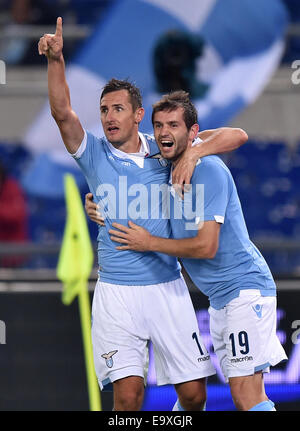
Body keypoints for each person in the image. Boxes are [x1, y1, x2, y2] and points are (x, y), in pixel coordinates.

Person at [38, 17, 248, 411]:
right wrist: (56, 60)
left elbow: (236, 135)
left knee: (194, 395)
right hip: (117, 293)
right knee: (129, 396)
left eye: (118, 108)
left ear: (137, 116)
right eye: (103, 109)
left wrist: (197, 152)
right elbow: (63, 113)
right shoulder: (95, 155)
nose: (109, 117)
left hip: (167, 288)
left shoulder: (167, 148)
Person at [107, 90, 288, 411]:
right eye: (158, 124)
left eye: (174, 125)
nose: (164, 132)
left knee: (247, 395)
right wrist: (100, 208)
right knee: (238, 394)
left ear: (192, 133)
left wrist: (149, 242)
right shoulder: (164, 164)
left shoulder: (208, 170)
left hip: (244, 292)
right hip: (221, 300)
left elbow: (206, 246)